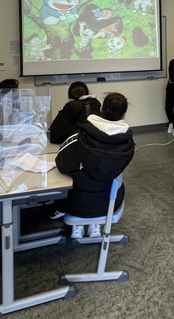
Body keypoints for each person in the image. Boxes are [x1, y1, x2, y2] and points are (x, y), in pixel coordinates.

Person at [55, 92, 135, 239]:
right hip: (110, 204)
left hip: (77, 203)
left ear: (101, 109)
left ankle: (79, 227)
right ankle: (95, 225)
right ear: (123, 115)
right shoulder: (127, 145)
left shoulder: (79, 138)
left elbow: (61, 163)